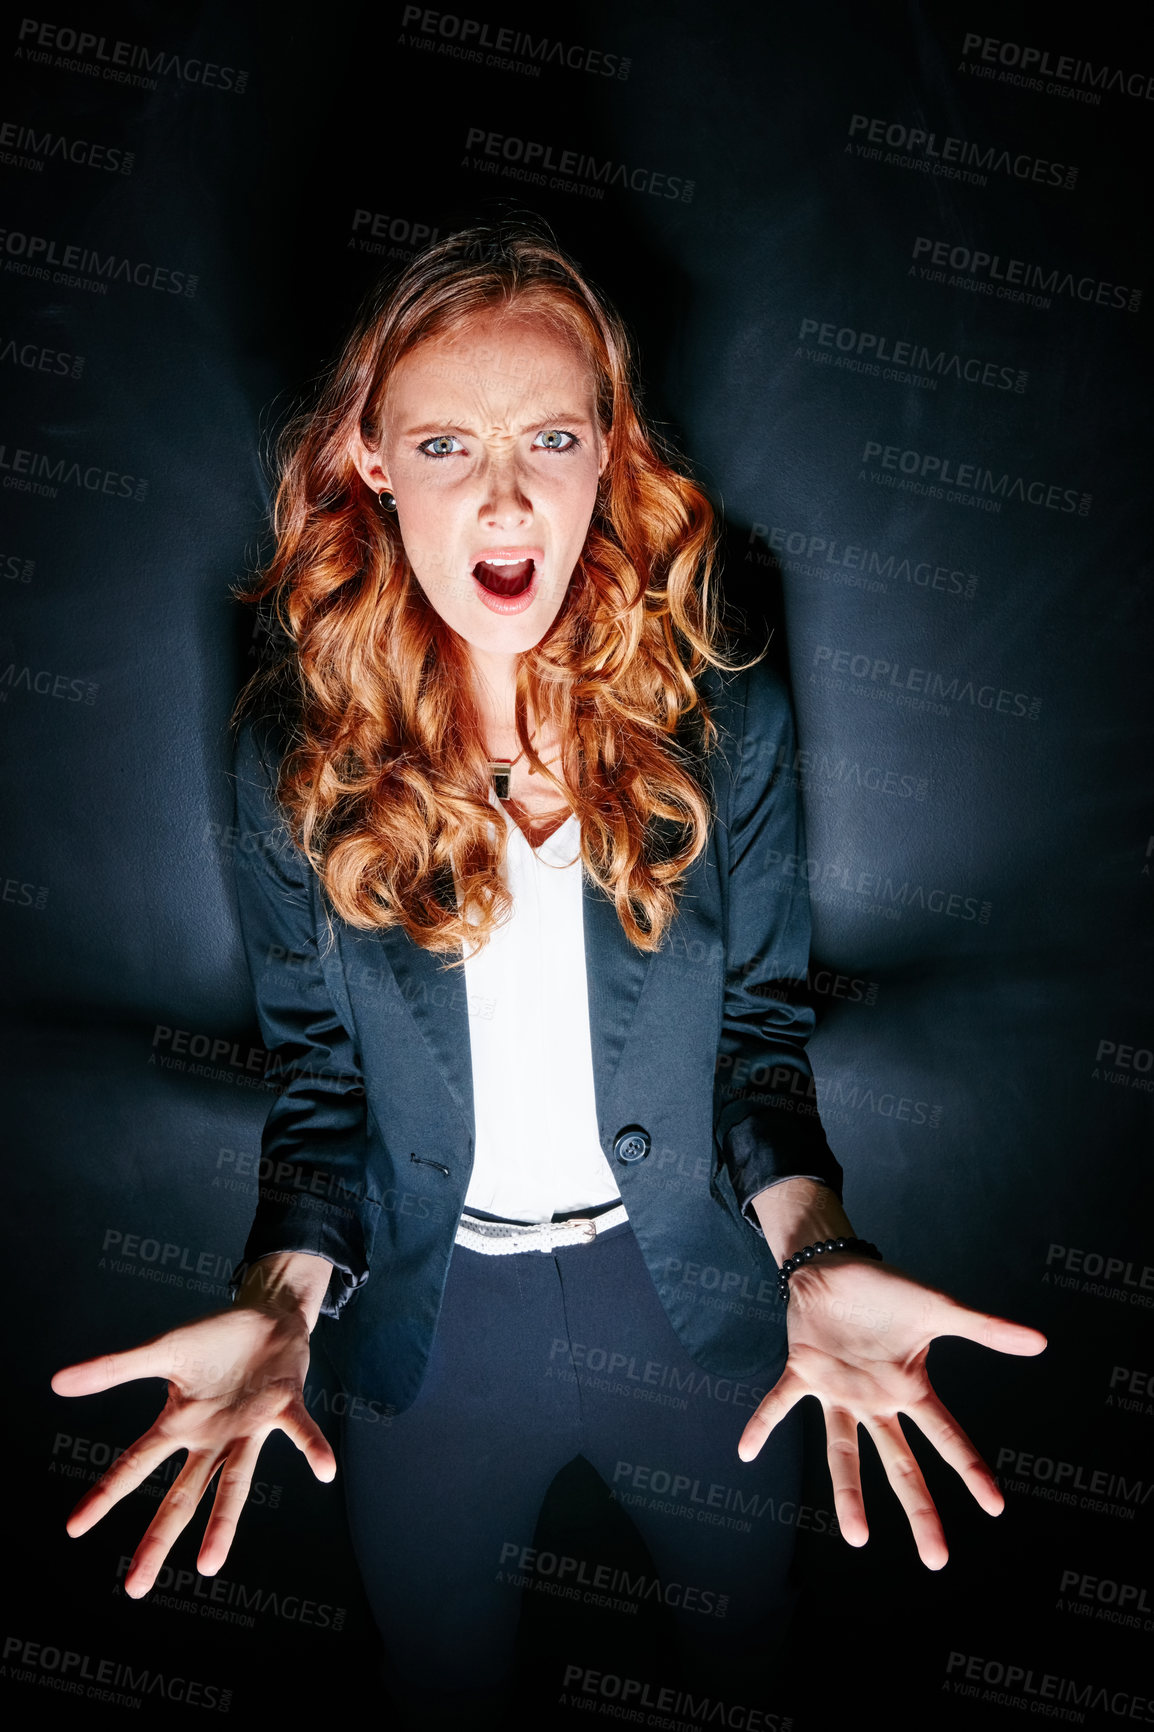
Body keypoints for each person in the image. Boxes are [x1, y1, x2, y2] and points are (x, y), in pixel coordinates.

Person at [52, 218, 1046, 1727]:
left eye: (552, 437)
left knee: (744, 1655)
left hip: (696, 1313)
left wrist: (814, 1250)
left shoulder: (724, 712)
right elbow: (320, 1090)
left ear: (607, 455)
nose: (505, 495)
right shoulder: (295, 753)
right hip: (435, 1340)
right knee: (437, 1682)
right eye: (446, 444)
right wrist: (279, 1299)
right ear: (373, 463)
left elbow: (759, 1046)